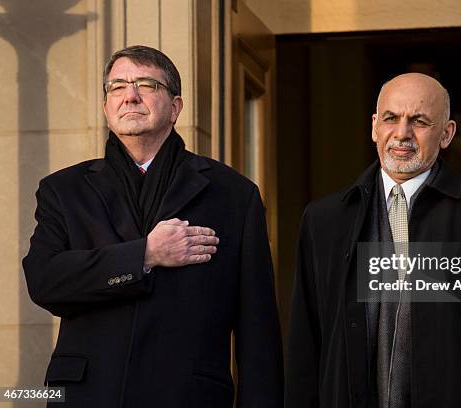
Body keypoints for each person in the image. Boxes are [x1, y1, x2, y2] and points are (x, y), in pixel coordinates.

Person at [23, 45, 282, 407]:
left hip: (188, 396)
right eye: (117, 87)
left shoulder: (234, 195)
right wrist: (144, 255)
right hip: (88, 396)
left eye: (146, 84)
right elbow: (45, 281)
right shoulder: (63, 190)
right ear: (106, 107)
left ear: (175, 107)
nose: (130, 96)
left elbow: (259, 331)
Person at [285, 73, 461, 407]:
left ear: (446, 134)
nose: (402, 134)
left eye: (419, 121)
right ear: (375, 125)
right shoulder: (324, 220)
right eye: (391, 118)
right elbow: (306, 342)